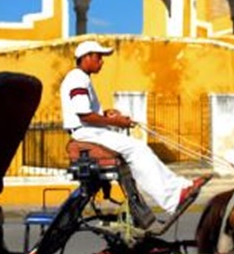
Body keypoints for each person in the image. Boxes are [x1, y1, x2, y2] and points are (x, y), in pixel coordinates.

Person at [60, 40, 211, 221]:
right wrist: (115, 122)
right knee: (137, 149)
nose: (102, 62)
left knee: (138, 149)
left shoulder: (81, 78)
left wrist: (107, 115)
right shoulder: (78, 79)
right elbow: (84, 115)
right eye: (99, 57)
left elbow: (87, 113)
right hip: (86, 132)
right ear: (86, 57)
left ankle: (179, 189)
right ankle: (173, 197)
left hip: (90, 130)